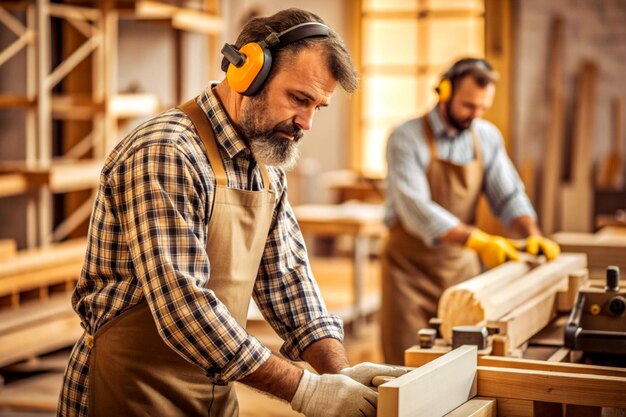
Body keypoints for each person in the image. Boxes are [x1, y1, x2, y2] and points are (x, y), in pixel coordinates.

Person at [58, 8, 405, 417]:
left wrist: (339, 373)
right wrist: (306, 389)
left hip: (211, 395)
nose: (307, 123)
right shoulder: (168, 152)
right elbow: (184, 308)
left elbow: (288, 281)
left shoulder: (264, 165)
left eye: (318, 107)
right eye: (299, 99)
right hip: (129, 392)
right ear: (247, 73)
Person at [380, 57, 561, 365]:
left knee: (460, 362)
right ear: (445, 92)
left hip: (460, 269)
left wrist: (532, 234)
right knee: (407, 365)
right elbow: (416, 209)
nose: (474, 115)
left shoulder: (486, 136)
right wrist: (480, 242)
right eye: (467, 106)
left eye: (482, 108)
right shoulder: (405, 137)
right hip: (408, 270)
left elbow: (508, 194)